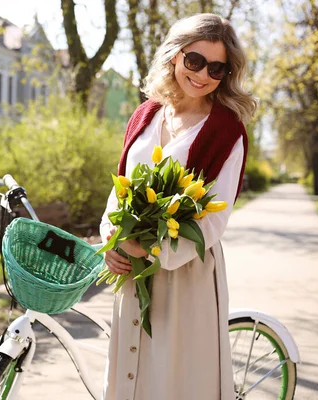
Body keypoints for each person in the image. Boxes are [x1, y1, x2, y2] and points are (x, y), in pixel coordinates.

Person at [99, 13, 258, 400]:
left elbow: (214, 219)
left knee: (176, 380)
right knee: (130, 381)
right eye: (195, 60)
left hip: (187, 274)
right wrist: (112, 240)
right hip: (132, 273)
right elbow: (119, 188)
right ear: (175, 55)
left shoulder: (226, 130)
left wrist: (151, 249)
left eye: (217, 68)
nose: (203, 74)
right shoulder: (145, 114)